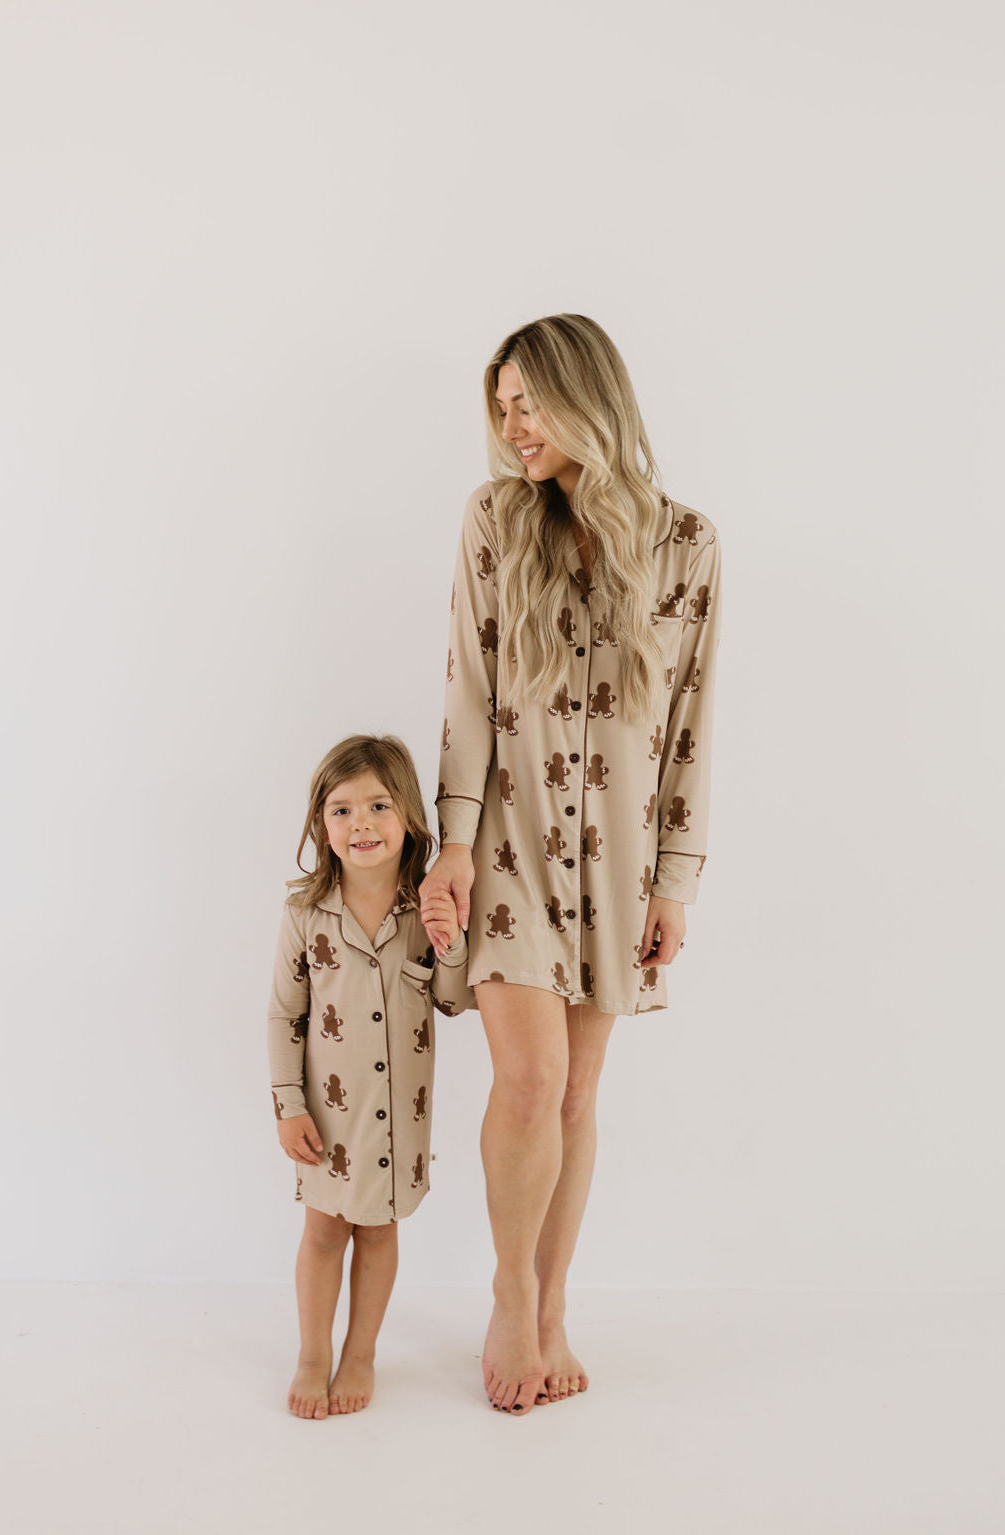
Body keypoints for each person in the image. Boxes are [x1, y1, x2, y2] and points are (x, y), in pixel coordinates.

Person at [419, 313, 723, 1416]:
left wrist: (674, 877)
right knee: (532, 1079)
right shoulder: (495, 518)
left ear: (584, 396)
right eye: (500, 407)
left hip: (618, 860)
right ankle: (508, 1292)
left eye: (528, 402)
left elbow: (689, 717)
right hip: (504, 838)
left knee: (580, 1089)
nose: (511, 426)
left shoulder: (687, 542)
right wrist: (450, 841)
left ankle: (553, 1304)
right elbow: (466, 681)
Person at [267, 734, 473, 1419]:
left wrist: (450, 943)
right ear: (321, 827)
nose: (361, 823)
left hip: (396, 1115)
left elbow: (449, 999)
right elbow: (284, 1014)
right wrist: (288, 1104)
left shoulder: (424, 908)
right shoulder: (305, 913)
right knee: (324, 1230)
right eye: (342, 809)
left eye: (379, 805)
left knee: (379, 1233)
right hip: (326, 1118)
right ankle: (312, 1353)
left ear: (410, 815)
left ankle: (361, 1351)